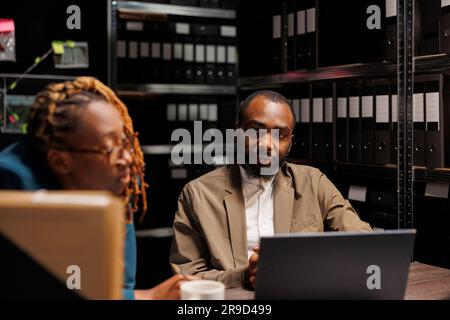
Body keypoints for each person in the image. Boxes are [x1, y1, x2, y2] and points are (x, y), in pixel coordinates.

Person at [0, 76, 189, 299]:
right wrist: (148, 297)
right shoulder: (12, 187)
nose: (128, 158)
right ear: (60, 162)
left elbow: (121, 281)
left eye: (125, 141)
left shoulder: (116, 178)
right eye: (110, 148)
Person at [170, 90, 372, 289]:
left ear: (290, 142)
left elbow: (365, 244)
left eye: (280, 135)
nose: (267, 144)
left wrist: (306, 269)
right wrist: (243, 276)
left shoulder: (314, 183)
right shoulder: (197, 194)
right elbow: (186, 277)